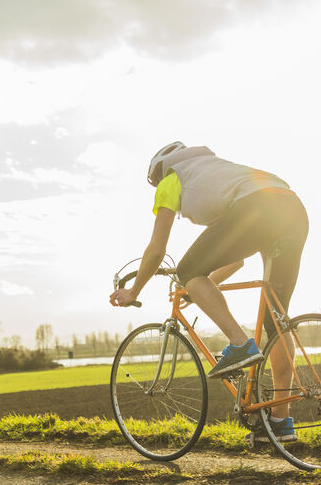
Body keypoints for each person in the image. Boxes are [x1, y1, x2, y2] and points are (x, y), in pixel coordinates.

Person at [108, 141, 309, 442]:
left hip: (257, 207)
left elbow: (157, 249)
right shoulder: (214, 173)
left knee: (187, 269)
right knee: (277, 320)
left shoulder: (171, 179)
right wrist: (199, 289)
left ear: (159, 171)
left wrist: (134, 291)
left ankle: (240, 345)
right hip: (291, 209)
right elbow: (236, 259)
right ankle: (281, 421)